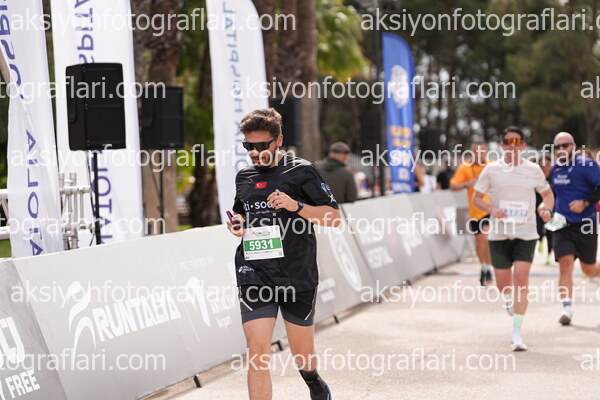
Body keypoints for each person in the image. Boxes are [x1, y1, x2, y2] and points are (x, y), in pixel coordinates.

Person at [227, 109, 341, 400]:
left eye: (261, 145)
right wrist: (237, 223)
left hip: (296, 273)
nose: (255, 152)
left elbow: (334, 218)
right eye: (248, 146)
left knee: (302, 354)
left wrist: (296, 206)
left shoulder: (301, 171)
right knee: (257, 350)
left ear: (278, 141)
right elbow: (241, 213)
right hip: (254, 272)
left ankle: (313, 380)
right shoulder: (244, 177)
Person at [473, 126, 554, 351]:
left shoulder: (533, 169)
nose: (512, 146)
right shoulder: (491, 170)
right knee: (503, 284)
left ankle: (516, 333)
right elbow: (477, 198)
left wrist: (546, 208)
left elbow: (547, 194)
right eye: (508, 142)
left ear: (523, 145)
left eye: (517, 142)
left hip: (526, 232)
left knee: (521, 279)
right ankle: (508, 296)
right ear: (502, 146)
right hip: (499, 233)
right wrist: (491, 209)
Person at [549, 132, 600, 325]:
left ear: (574, 146)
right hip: (562, 225)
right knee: (565, 263)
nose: (561, 149)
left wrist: (585, 202)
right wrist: (545, 208)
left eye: (565, 145)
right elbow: (550, 194)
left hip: (586, 224)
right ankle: (567, 308)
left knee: (589, 269)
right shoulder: (555, 169)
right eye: (558, 147)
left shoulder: (586, 165)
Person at [450, 141, 494, 286]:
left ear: (486, 152)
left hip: (490, 209)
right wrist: (466, 184)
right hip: (475, 211)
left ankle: (489, 268)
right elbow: (453, 185)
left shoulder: (492, 165)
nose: (478, 154)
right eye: (475, 151)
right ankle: (484, 267)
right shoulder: (466, 167)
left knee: (486, 238)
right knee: (480, 241)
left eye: (481, 151)